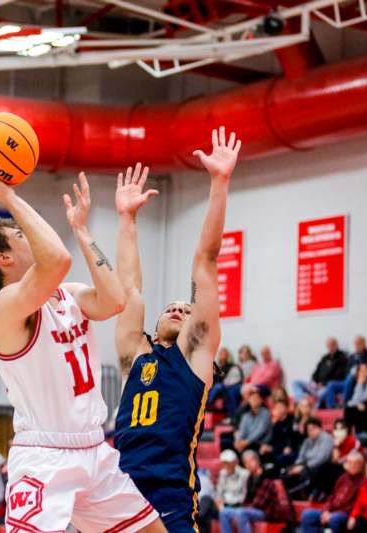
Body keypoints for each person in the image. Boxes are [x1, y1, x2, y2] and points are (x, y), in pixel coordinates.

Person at [0, 159, 165, 532]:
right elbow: (57, 258)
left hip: (93, 448)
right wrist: (7, 196)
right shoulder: (5, 309)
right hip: (45, 457)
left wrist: (81, 229)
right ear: (4, 258)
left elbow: (114, 300)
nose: (30, 236)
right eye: (20, 235)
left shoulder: (66, 294)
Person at [113, 128, 241, 532]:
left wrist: (219, 183)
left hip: (168, 494)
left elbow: (206, 259)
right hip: (118, 491)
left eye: (185, 309)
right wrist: (127, 220)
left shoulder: (196, 356)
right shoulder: (136, 355)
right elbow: (129, 289)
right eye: (169, 307)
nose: (176, 307)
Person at [218, 450, 289, 533]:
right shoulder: (250, 477)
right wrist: (243, 506)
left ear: (257, 461)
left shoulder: (266, 477)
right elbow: (246, 497)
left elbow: (259, 503)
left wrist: (243, 507)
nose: (248, 465)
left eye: (250, 461)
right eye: (246, 463)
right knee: (224, 513)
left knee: (242, 513)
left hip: (265, 512)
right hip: (252, 509)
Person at [300, 451, 365, 533]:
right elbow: (332, 496)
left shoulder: (363, 481)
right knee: (307, 515)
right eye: (350, 463)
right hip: (332, 511)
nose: (352, 466)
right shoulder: (343, 477)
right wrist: (325, 511)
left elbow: (357, 504)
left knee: (335, 519)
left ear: (361, 465)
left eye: (356, 464)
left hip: (346, 514)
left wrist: (332, 514)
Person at [283, 418, 333, 499]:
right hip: (305, 464)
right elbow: (301, 456)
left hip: (321, 466)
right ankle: (293, 498)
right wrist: (296, 465)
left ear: (319, 428)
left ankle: (306, 497)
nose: (311, 432)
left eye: (313, 429)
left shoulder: (326, 439)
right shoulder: (307, 441)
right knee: (287, 471)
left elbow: (321, 458)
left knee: (304, 473)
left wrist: (303, 467)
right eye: (309, 430)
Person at [294, 338, 348, 405]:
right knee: (296, 383)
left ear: (337, 345)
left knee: (323, 392)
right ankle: (301, 401)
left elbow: (339, 376)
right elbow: (316, 372)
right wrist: (314, 381)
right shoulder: (324, 358)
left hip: (326, 387)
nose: (330, 347)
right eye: (329, 345)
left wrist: (323, 384)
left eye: (332, 345)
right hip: (316, 386)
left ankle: (314, 407)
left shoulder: (342, 358)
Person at [259, 399, 297, 468]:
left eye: (280, 407)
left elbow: (290, 438)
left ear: (286, 408)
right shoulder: (277, 424)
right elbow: (273, 439)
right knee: (261, 453)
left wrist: (273, 448)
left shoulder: (292, 420)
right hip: (278, 448)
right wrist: (266, 446)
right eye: (276, 408)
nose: (278, 409)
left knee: (280, 457)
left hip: (290, 447)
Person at [208, 348, 244, 417]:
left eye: (224, 354)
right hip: (215, 388)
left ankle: (208, 404)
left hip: (224, 388)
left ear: (228, 356)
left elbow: (227, 381)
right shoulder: (216, 367)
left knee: (218, 386)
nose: (222, 355)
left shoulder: (231, 366)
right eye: (220, 353)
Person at [233, 389, 271, 453]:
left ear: (261, 400)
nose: (254, 400)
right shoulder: (246, 416)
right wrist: (238, 441)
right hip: (248, 442)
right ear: (249, 400)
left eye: (256, 398)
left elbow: (259, 431)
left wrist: (246, 442)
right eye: (252, 398)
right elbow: (242, 431)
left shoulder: (266, 413)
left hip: (261, 441)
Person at [345, 363, 367, 433]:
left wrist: (359, 384)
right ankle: (348, 433)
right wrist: (359, 383)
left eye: (365, 370)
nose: (363, 373)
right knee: (349, 409)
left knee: (361, 408)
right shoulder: (355, 381)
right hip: (360, 403)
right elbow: (355, 399)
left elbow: (365, 397)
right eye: (361, 371)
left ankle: (362, 433)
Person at [196, 467, 216, 533]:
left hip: (210, 506)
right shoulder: (186, 480)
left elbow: (211, 495)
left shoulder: (204, 478)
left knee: (205, 499)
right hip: (197, 507)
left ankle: (197, 517)